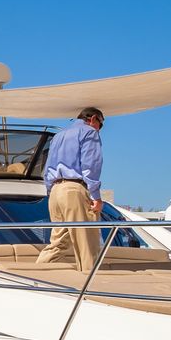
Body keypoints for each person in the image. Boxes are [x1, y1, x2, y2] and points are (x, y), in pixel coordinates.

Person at [37, 107, 105, 271]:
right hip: (74, 189)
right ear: (93, 118)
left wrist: (51, 191)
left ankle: (34, 277)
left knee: (58, 242)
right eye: (100, 125)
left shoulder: (58, 136)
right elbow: (90, 166)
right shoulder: (89, 132)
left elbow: (46, 169)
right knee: (87, 244)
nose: (99, 129)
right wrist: (96, 196)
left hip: (55, 190)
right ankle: (91, 288)